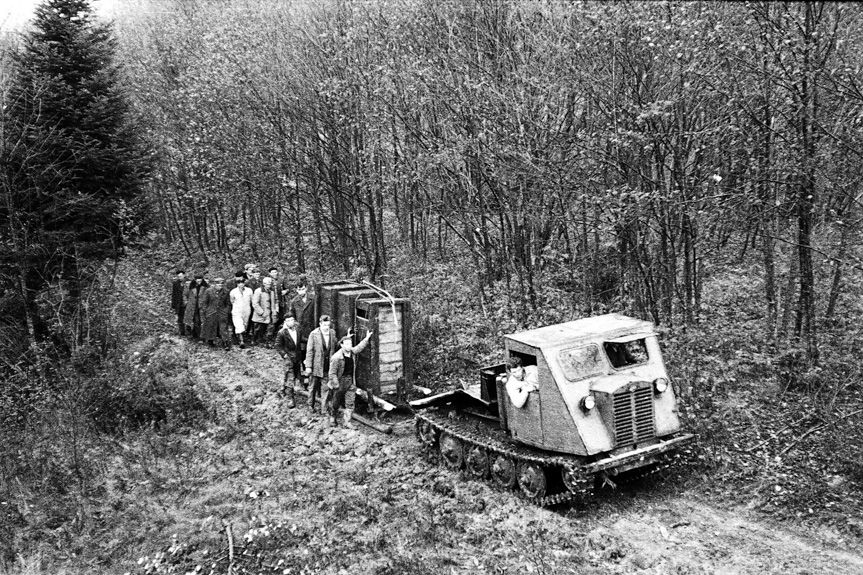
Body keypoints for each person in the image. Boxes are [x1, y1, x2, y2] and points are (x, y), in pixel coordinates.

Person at [327, 330, 374, 428]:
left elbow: (359, 348)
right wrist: (336, 385)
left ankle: (347, 422)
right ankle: (332, 417)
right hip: (339, 382)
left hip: (349, 381)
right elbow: (332, 373)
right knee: (336, 402)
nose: (349, 346)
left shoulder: (352, 352)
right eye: (347, 344)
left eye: (350, 344)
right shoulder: (337, 357)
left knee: (350, 403)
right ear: (342, 345)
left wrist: (366, 338)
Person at [304, 315, 337, 414]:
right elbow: (309, 351)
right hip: (316, 366)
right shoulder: (313, 334)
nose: (326, 327)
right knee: (313, 387)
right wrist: (308, 366)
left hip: (327, 366)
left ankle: (324, 409)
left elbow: (335, 346)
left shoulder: (332, 333)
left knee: (325, 389)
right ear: (320, 324)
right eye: (324, 325)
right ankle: (310, 405)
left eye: (328, 325)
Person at [290, 276, 315, 389]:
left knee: (311, 353)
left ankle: (310, 377)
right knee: (301, 354)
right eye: (299, 289)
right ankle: (301, 378)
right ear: (296, 290)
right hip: (300, 333)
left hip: (311, 330)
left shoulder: (313, 299)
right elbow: (292, 318)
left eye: (303, 289)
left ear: (307, 288)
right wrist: (296, 329)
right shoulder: (294, 302)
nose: (301, 291)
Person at [275, 315, 302, 408]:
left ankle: (282, 389)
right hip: (289, 358)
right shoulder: (282, 332)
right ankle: (290, 399)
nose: (291, 322)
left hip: (297, 357)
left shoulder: (297, 330)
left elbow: (300, 340)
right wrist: (284, 355)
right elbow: (278, 345)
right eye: (288, 320)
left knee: (294, 375)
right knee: (290, 377)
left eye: (292, 320)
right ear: (285, 322)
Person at [200, 277, 231, 349]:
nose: (220, 286)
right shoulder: (208, 291)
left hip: (222, 312)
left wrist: (226, 311)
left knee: (223, 328)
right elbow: (204, 302)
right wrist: (206, 310)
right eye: (219, 284)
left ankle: (225, 342)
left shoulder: (226, 291)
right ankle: (210, 341)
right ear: (215, 284)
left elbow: (228, 303)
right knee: (211, 326)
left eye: (222, 284)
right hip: (211, 312)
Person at [251, 276, 279, 346]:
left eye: (270, 284)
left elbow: (276, 301)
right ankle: (254, 340)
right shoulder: (258, 291)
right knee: (257, 328)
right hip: (261, 313)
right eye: (267, 284)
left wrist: (276, 310)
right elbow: (255, 303)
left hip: (271, 312)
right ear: (264, 284)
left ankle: (268, 342)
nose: (269, 285)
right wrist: (261, 312)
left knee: (271, 328)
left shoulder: (272, 291)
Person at [230, 277, 253, 349]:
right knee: (239, 324)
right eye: (239, 283)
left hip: (246, 309)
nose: (241, 284)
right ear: (237, 284)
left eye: (242, 283)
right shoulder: (233, 291)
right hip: (237, 310)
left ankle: (241, 337)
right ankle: (241, 341)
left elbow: (252, 300)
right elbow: (232, 301)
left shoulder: (249, 290)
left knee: (245, 324)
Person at [184, 274, 208, 339]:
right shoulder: (190, 286)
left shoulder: (205, 286)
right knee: (194, 321)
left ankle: (197, 335)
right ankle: (197, 335)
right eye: (198, 280)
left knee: (199, 321)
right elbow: (185, 294)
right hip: (192, 306)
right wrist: (186, 302)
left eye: (200, 280)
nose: (199, 281)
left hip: (200, 306)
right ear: (195, 280)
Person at [170, 270, 186, 336]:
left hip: (187, 303)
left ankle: (190, 330)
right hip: (179, 303)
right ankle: (182, 331)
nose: (180, 278)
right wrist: (173, 304)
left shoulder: (188, 282)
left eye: (181, 276)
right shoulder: (175, 283)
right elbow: (174, 294)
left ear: (184, 275)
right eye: (178, 276)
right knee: (180, 318)